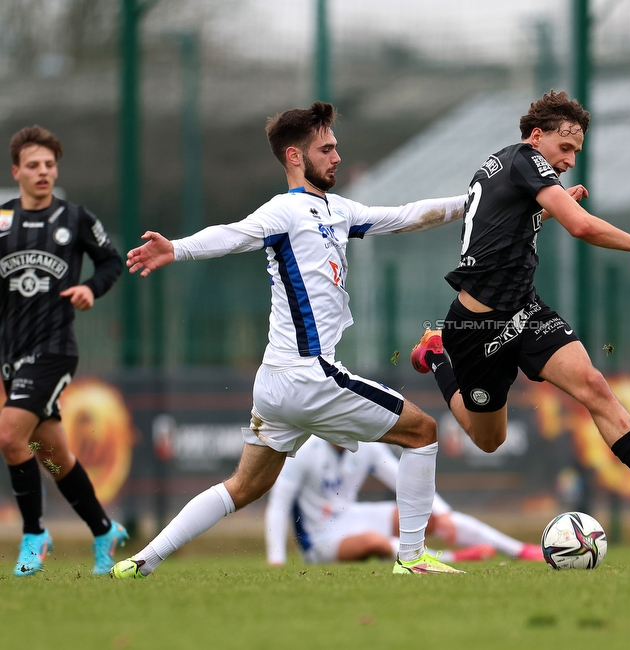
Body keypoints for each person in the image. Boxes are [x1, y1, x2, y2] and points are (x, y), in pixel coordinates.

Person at [109, 103, 468, 579]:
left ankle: (141, 562)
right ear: (296, 156)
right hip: (307, 374)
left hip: (275, 382)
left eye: (336, 146)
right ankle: (412, 558)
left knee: (243, 486)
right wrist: (177, 248)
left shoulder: (340, 210)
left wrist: (474, 202)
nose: (337, 156)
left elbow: (407, 215)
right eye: (327, 148)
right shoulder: (285, 210)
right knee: (422, 432)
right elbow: (233, 235)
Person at [410, 91, 630, 525]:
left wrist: (550, 206)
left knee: (594, 385)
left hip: (525, 312)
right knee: (489, 440)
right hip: (477, 329)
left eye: (576, 150)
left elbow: (502, 225)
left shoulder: (512, 165)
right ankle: (437, 355)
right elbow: (582, 226)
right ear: (536, 136)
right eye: (566, 147)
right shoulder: (526, 160)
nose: (571, 159)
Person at [0, 126, 128, 576]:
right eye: (33, 165)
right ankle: (104, 529)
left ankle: (34, 533)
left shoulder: (75, 219)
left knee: (10, 435)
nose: (42, 172)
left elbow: (111, 261)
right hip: (11, 355)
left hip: (54, 348)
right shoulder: (1, 220)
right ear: (16, 171)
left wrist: (91, 289)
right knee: (50, 452)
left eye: (49, 165)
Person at [265, 438, 544, 565]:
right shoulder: (303, 452)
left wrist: (443, 512)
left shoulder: (368, 445)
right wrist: (276, 559)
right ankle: (449, 559)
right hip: (320, 539)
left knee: (428, 517)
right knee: (373, 541)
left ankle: (519, 551)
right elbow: (278, 505)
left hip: (352, 515)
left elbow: (410, 484)